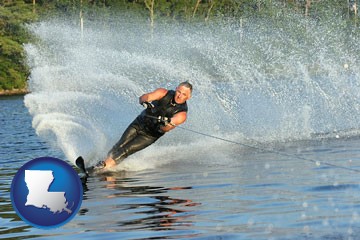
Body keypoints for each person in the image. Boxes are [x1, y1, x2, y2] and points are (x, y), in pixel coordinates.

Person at [91, 81, 193, 171]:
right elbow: (144, 97)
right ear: (176, 89)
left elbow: (166, 129)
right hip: (139, 123)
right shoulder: (163, 93)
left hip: (149, 135)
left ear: (188, 97)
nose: (179, 96)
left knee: (126, 150)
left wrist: (165, 123)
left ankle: (104, 166)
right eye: (179, 92)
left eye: (184, 94)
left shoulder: (182, 114)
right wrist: (145, 102)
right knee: (120, 145)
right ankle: (102, 163)